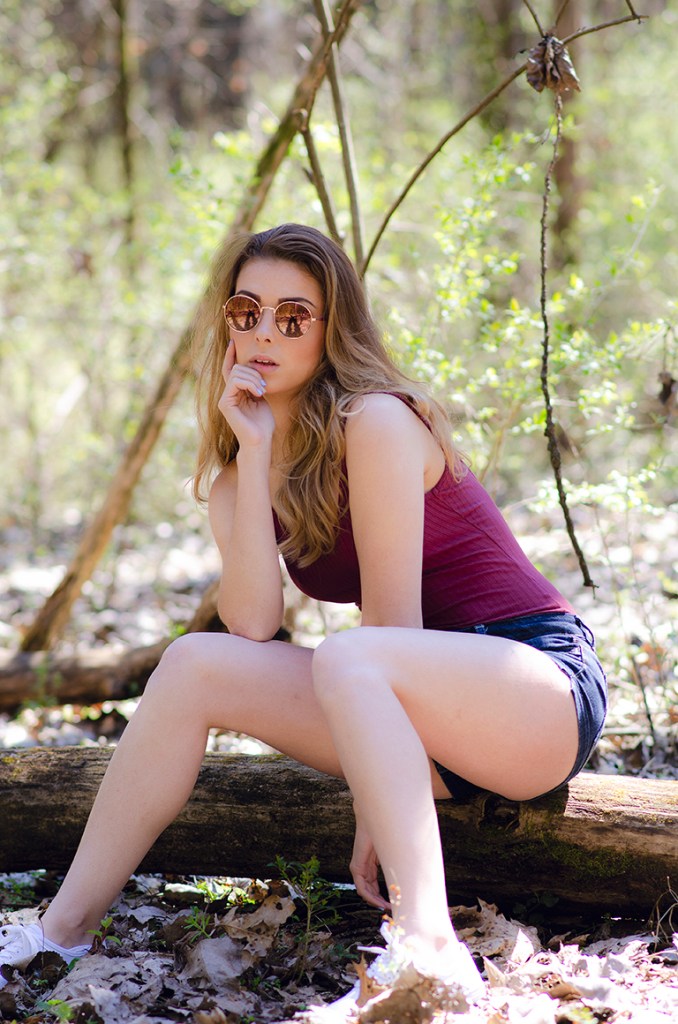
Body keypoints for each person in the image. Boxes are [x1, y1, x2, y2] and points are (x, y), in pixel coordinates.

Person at [1, 224, 607, 1016]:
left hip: (533, 692)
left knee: (352, 653)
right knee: (192, 663)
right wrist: (254, 455)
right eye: (246, 310)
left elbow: (394, 625)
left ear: (331, 331)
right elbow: (252, 626)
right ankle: (62, 930)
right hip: (419, 716)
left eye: (293, 317)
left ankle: (428, 947)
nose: (264, 333)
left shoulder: (377, 421)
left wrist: (371, 801)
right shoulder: (237, 479)